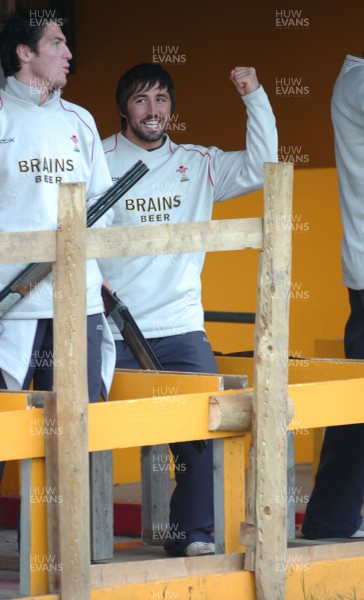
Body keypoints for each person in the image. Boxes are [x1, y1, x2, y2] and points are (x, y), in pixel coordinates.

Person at [99, 62, 277, 557]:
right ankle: (85, 545)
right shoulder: (97, 158)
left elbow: (266, 162)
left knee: (204, 434)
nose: (152, 110)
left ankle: (191, 535)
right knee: (86, 432)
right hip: (111, 330)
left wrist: (253, 95)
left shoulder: (199, 162)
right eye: (141, 100)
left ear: (172, 107)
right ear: (123, 110)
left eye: (160, 99)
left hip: (180, 327)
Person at [0, 8, 115, 482]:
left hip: (78, 300)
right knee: (5, 428)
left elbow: (103, 208)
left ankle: (78, 550)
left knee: (76, 427)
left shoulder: (81, 121)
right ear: (25, 53)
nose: (70, 54)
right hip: (12, 302)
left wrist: (102, 277)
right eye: (56, 44)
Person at [302, 55, 364, 539]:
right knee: (356, 405)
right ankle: (330, 520)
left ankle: (332, 519)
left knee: (357, 404)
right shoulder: (357, 83)